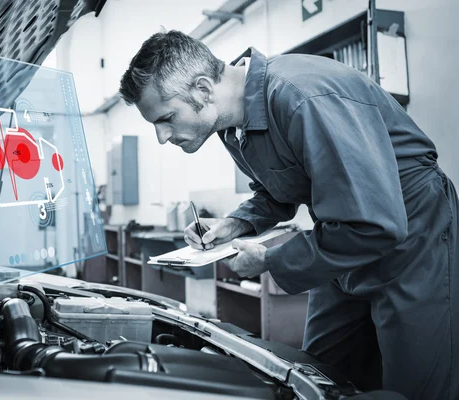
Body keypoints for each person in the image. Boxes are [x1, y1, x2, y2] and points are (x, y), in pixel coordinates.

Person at [118, 30, 458, 399]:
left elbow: (373, 222)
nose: (162, 137)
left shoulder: (301, 97)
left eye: (166, 118)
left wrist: (271, 259)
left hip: (411, 230)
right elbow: (280, 188)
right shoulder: (232, 125)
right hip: (342, 235)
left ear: (202, 89)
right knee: (315, 371)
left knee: (416, 383)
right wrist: (237, 223)